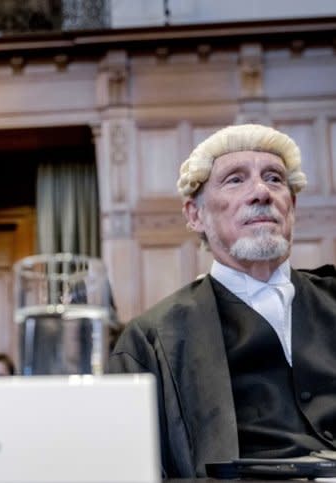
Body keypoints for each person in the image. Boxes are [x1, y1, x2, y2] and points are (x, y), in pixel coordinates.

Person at [109, 124, 336, 478]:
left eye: (275, 179)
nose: (261, 192)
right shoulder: (151, 341)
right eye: (235, 180)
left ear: (291, 206)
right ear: (194, 214)